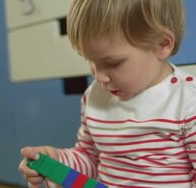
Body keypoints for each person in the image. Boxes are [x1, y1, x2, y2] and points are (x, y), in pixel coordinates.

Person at [19, 0, 196, 187]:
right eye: (91, 61)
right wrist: (56, 162)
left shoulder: (188, 102)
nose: (99, 76)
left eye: (112, 63)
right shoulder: (94, 96)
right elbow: (89, 159)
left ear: (162, 44)